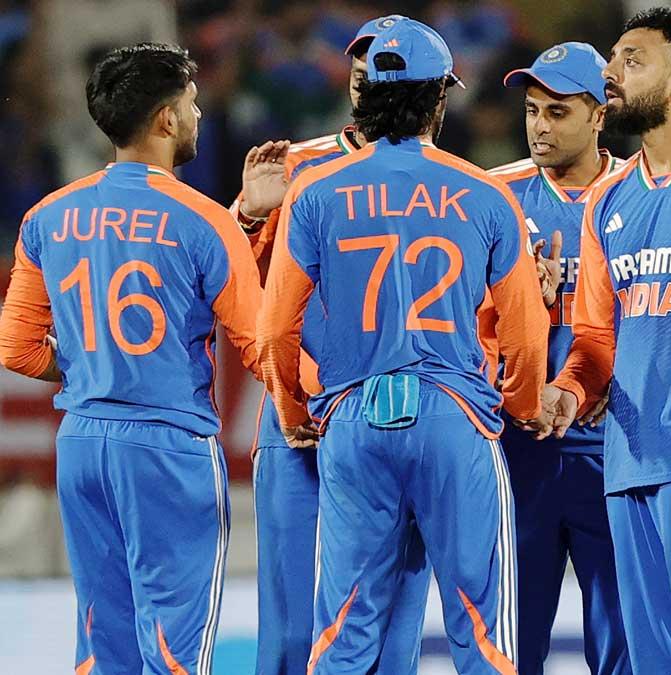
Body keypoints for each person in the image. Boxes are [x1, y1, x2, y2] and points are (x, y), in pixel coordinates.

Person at [256, 17, 551, 673]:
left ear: (364, 96)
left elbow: (275, 327)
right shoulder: (486, 194)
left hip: (354, 419)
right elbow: (526, 334)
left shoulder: (315, 192)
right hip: (455, 419)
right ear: (440, 98)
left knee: (344, 634)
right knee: (483, 634)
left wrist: (293, 411)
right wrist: (525, 405)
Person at [0, 43, 261, 674]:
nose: (199, 118)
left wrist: (93, 363)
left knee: (102, 644)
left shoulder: (48, 216)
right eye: (193, 105)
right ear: (167, 119)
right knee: (175, 652)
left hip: (84, 444)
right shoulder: (204, 219)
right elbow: (261, 344)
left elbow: (16, 348)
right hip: (169, 447)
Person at [540, 7, 671, 673]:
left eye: (632, 59)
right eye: (612, 60)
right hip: (629, 462)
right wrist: (570, 389)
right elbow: (597, 334)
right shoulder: (610, 199)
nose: (611, 72)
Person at [232, 15, 431, 675]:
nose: (369, 75)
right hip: (303, 419)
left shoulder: (449, 180)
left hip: (397, 417)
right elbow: (236, 289)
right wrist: (249, 218)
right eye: (364, 65)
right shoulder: (293, 166)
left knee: (393, 626)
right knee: (291, 630)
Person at [488, 42, 630, 675]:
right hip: (522, 449)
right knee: (514, 647)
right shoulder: (493, 196)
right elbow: (455, 322)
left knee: (622, 646)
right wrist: (515, 299)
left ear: (599, 114)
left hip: (618, 448)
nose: (540, 126)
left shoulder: (641, 193)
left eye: (559, 112)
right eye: (532, 110)